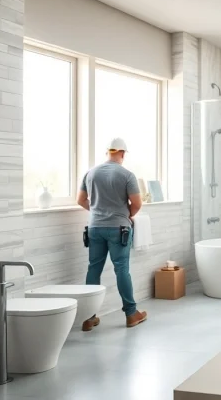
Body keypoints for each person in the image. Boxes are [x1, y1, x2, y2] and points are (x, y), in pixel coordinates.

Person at [76, 138, 148, 330]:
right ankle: (131, 314)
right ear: (123, 154)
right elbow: (137, 203)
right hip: (119, 229)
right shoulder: (127, 175)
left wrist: (98, 213)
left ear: (108, 152)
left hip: (94, 228)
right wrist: (126, 215)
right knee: (121, 269)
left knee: (93, 269)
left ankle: (89, 317)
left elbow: (80, 200)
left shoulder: (90, 173)